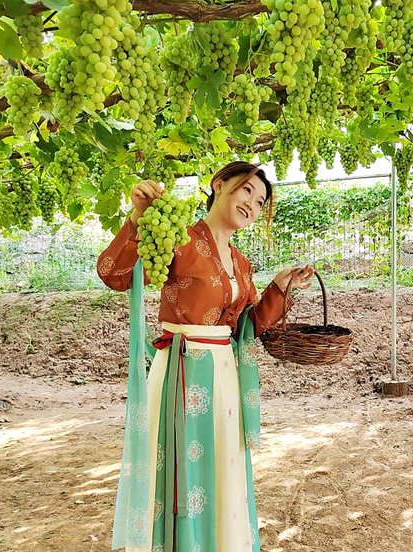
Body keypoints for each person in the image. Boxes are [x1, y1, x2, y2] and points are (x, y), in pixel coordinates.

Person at [97, 161, 313, 552]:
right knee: (182, 467)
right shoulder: (178, 238)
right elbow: (115, 275)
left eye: (260, 202)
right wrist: (139, 218)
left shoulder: (242, 264)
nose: (252, 204)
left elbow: (247, 326)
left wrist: (279, 288)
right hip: (183, 371)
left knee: (220, 466)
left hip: (224, 377)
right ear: (219, 184)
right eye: (247, 190)